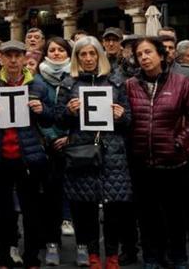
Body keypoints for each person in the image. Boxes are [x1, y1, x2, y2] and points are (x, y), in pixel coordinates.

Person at [0, 40, 55, 269]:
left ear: (24, 58)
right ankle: (4, 256)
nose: (12, 60)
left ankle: (31, 256)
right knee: (2, 212)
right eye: (8, 56)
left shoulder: (37, 85)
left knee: (31, 211)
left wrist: (42, 110)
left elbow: (51, 118)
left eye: (17, 56)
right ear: (0, 58)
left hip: (28, 157)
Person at [56, 36, 133, 269]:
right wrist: (69, 111)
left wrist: (121, 116)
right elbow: (58, 120)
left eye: (92, 53)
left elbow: (129, 120)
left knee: (113, 207)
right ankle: (91, 253)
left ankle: (111, 254)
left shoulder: (116, 81)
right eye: (83, 54)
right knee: (84, 206)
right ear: (76, 58)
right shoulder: (69, 83)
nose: (88, 59)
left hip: (112, 151)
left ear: (99, 55)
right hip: (81, 150)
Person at [126, 36, 189, 269]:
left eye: (148, 52)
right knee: (148, 216)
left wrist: (179, 142)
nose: (144, 58)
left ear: (161, 55)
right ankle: (151, 256)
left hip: (173, 162)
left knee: (175, 216)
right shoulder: (130, 85)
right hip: (141, 162)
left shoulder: (180, 82)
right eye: (140, 54)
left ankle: (178, 256)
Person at [36, 37, 75, 267]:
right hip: (48, 145)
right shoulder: (39, 80)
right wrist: (52, 137)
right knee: (49, 197)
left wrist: (70, 138)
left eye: (61, 50)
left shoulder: (76, 77)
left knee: (77, 195)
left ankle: (82, 246)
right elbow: (39, 112)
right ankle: (52, 242)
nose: (57, 53)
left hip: (74, 144)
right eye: (52, 50)